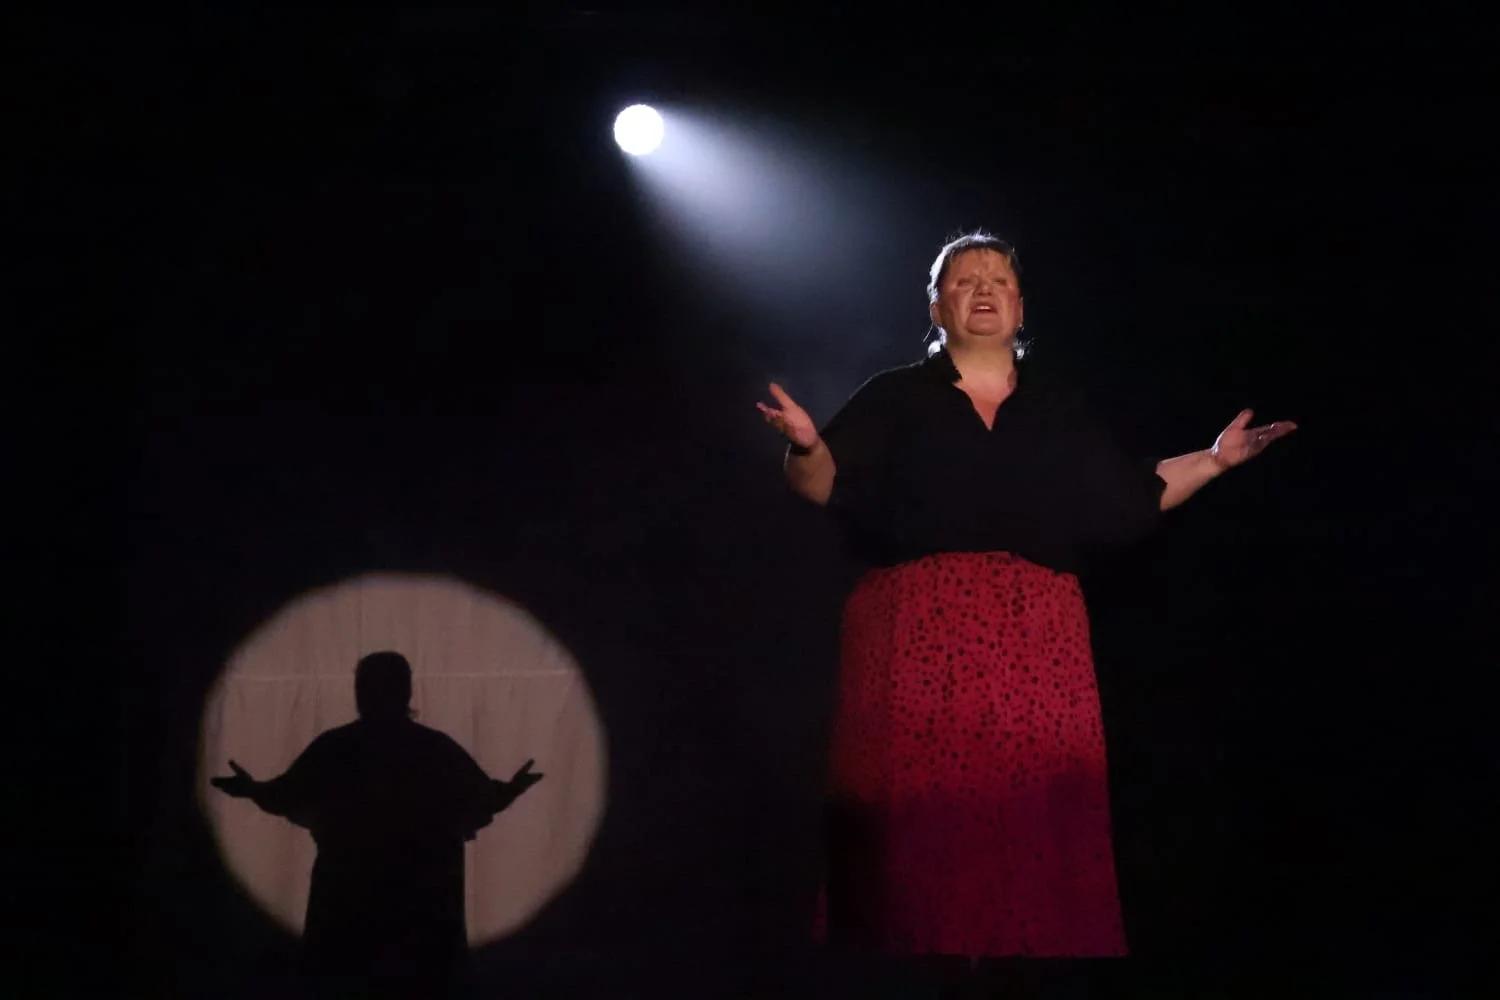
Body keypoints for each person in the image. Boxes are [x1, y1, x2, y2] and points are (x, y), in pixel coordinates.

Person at [757, 232, 1294, 988]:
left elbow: (1126, 499)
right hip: (920, 627)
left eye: (1000, 280)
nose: (983, 289)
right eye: (964, 279)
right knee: (926, 841)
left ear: (1019, 304)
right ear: (937, 304)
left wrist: (1213, 459)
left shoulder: (1056, 403)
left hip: (1033, 634)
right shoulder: (895, 396)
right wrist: (808, 446)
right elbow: (821, 485)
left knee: (1020, 833)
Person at [210, 651, 543, 999]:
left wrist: (253, 790)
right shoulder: (429, 749)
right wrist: (510, 791)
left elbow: (286, 795)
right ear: (407, 691)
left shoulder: (339, 748)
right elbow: (481, 799)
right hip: (417, 905)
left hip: (357, 903)